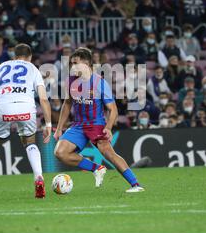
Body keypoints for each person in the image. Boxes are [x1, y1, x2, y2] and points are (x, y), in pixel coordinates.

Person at [53, 47, 144, 193]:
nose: (72, 66)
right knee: (60, 153)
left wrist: (108, 127)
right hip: (78, 125)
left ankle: (136, 185)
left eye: (75, 63)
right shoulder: (70, 81)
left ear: (87, 64)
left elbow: (113, 109)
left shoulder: (99, 83)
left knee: (109, 154)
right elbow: (67, 103)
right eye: (71, 63)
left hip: (96, 124)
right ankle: (97, 169)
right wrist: (59, 128)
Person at [0, 44, 52, 200]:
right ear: (30, 57)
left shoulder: (2, 67)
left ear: (14, 56)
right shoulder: (33, 69)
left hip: (3, 107)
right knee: (29, 140)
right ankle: (39, 177)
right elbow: (43, 99)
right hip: (25, 108)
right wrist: (48, 125)